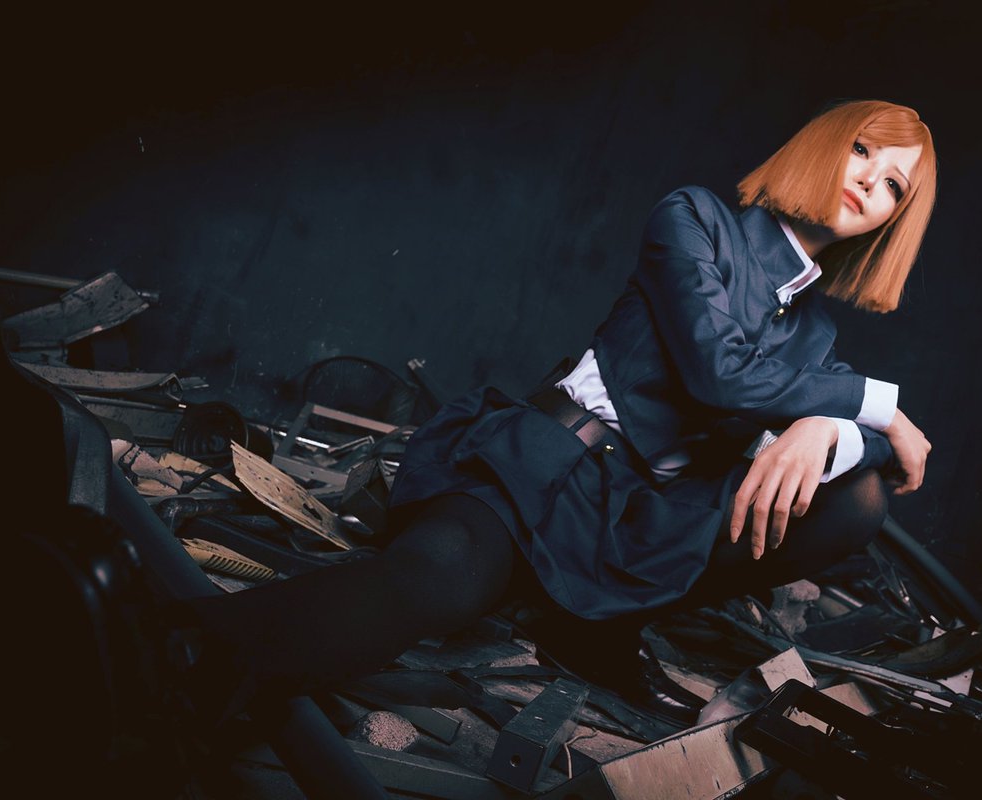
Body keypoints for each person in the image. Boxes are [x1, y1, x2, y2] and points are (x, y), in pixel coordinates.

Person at [185, 98, 936, 725]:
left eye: (894, 186)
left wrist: (828, 428)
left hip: (642, 518)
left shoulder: (813, 334)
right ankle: (170, 659)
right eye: (862, 149)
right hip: (547, 466)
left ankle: (600, 624)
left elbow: (865, 445)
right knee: (439, 578)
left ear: (892, 221)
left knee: (860, 497)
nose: (869, 181)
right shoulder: (695, 218)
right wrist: (879, 407)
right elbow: (720, 374)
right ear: (823, 143)